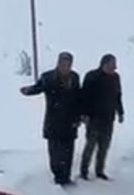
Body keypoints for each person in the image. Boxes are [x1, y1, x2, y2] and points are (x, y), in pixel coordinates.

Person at [20, 51, 82, 186]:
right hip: (54, 122)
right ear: (58, 63)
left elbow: (79, 98)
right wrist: (28, 90)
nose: (65, 67)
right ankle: (58, 177)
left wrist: (80, 116)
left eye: (68, 64)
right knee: (55, 153)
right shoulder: (48, 77)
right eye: (63, 63)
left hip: (70, 122)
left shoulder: (75, 77)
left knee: (68, 152)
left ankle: (66, 177)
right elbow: (38, 87)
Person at [79, 53, 124, 180]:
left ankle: (100, 170)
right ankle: (84, 171)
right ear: (104, 64)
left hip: (108, 118)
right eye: (112, 64)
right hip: (93, 118)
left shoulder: (115, 78)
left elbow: (118, 96)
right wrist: (84, 114)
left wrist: (120, 112)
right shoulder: (92, 76)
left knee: (104, 146)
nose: (115, 67)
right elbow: (83, 97)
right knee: (90, 145)